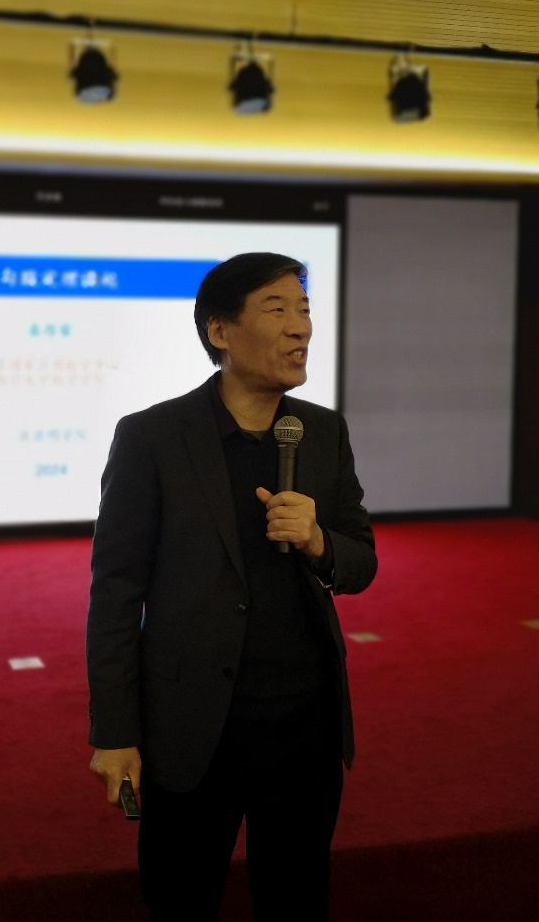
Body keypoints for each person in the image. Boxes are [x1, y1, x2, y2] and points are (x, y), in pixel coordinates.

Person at [85, 252, 377, 921]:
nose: (300, 327)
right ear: (220, 331)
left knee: (297, 900)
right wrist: (115, 731)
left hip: (304, 726)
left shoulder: (322, 432)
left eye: (304, 310)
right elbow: (116, 593)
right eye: (277, 310)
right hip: (193, 728)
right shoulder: (153, 437)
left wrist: (320, 541)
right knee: (182, 901)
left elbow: (361, 561)